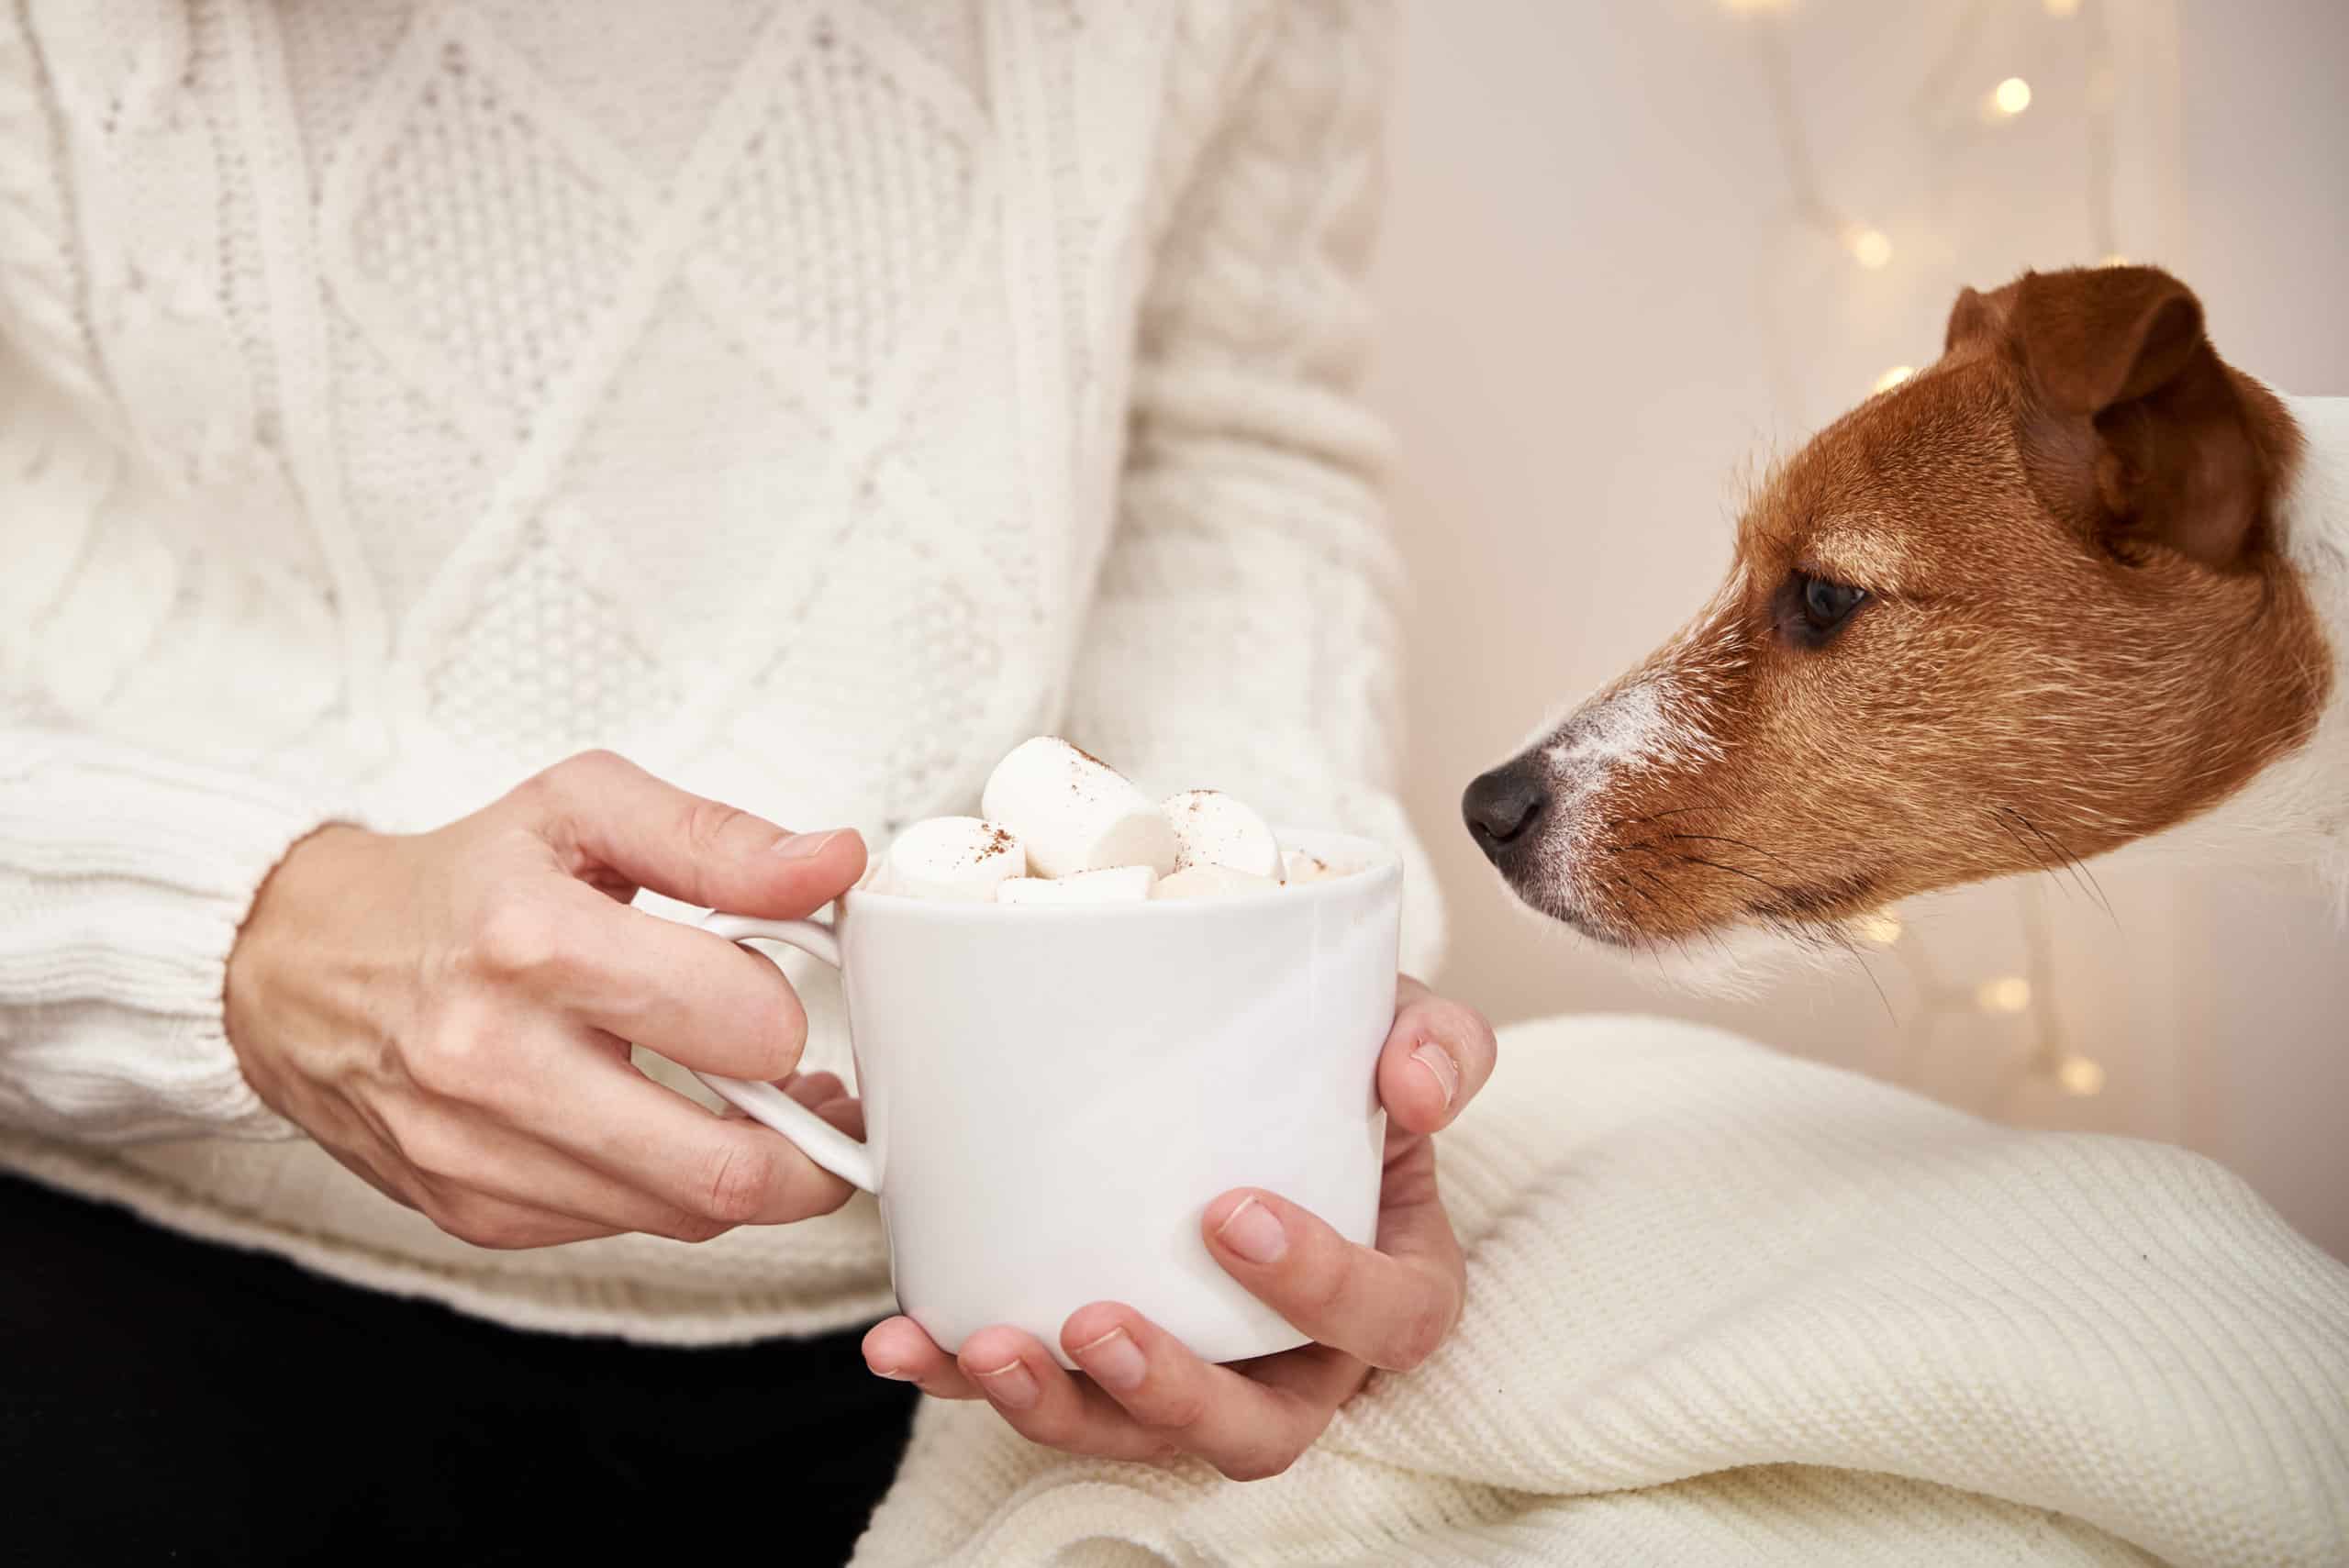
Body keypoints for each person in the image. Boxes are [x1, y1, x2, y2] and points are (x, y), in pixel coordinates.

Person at [0, 2, 1496, 1560]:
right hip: (124, 1276)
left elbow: (1228, 433)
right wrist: (233, 937)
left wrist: (1257, 1041)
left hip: (988, 1350)